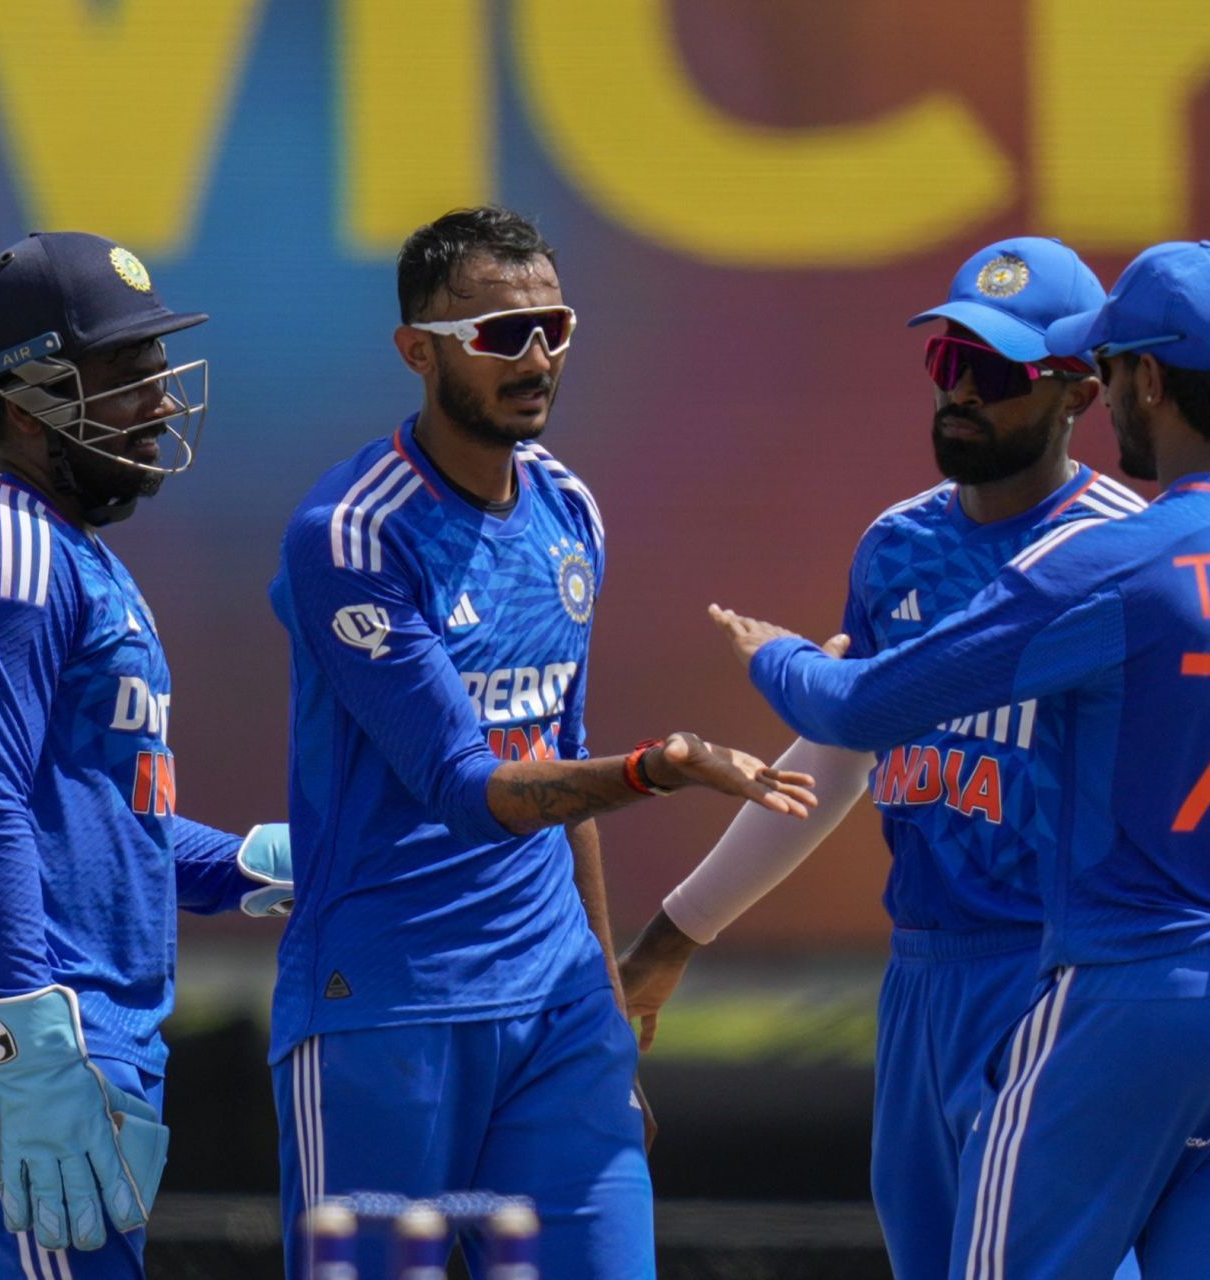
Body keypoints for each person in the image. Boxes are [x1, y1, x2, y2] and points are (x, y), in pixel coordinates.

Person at [713, 241, 1210, 1279]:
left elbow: (861, 700)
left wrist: (771, 654)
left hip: (1134, 988)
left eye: (1114, 365)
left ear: (1150, 381)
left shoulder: (1115, 558)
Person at [267, 205, 817, 1279]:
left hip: (558, 1005)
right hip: (390, 1008)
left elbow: (559, 753)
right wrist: (661, 767)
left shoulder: (569, 508)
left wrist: (606, 1009)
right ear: (417, 351)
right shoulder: (352, 531)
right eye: (499, 335)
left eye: (553, 326)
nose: (536, 356)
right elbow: (469, 786)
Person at [619, 235, 1147, 1280]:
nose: (959, 395)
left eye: (994, 374)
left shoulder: (1125, 551)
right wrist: (679, 929)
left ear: (1079, 389)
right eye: (948, 362)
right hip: (920, 982)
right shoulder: (896, 546)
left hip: (1061, 981)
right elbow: (837, 753)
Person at [0, 231, 295, 1280]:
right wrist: (27, 1046)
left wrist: (251, 863)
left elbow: (102, 817)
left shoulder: (71, 551)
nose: (159, 399)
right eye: (125, 374)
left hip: (61, 1009)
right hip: (16, 1005)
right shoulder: (10, 545)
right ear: (25, 392)